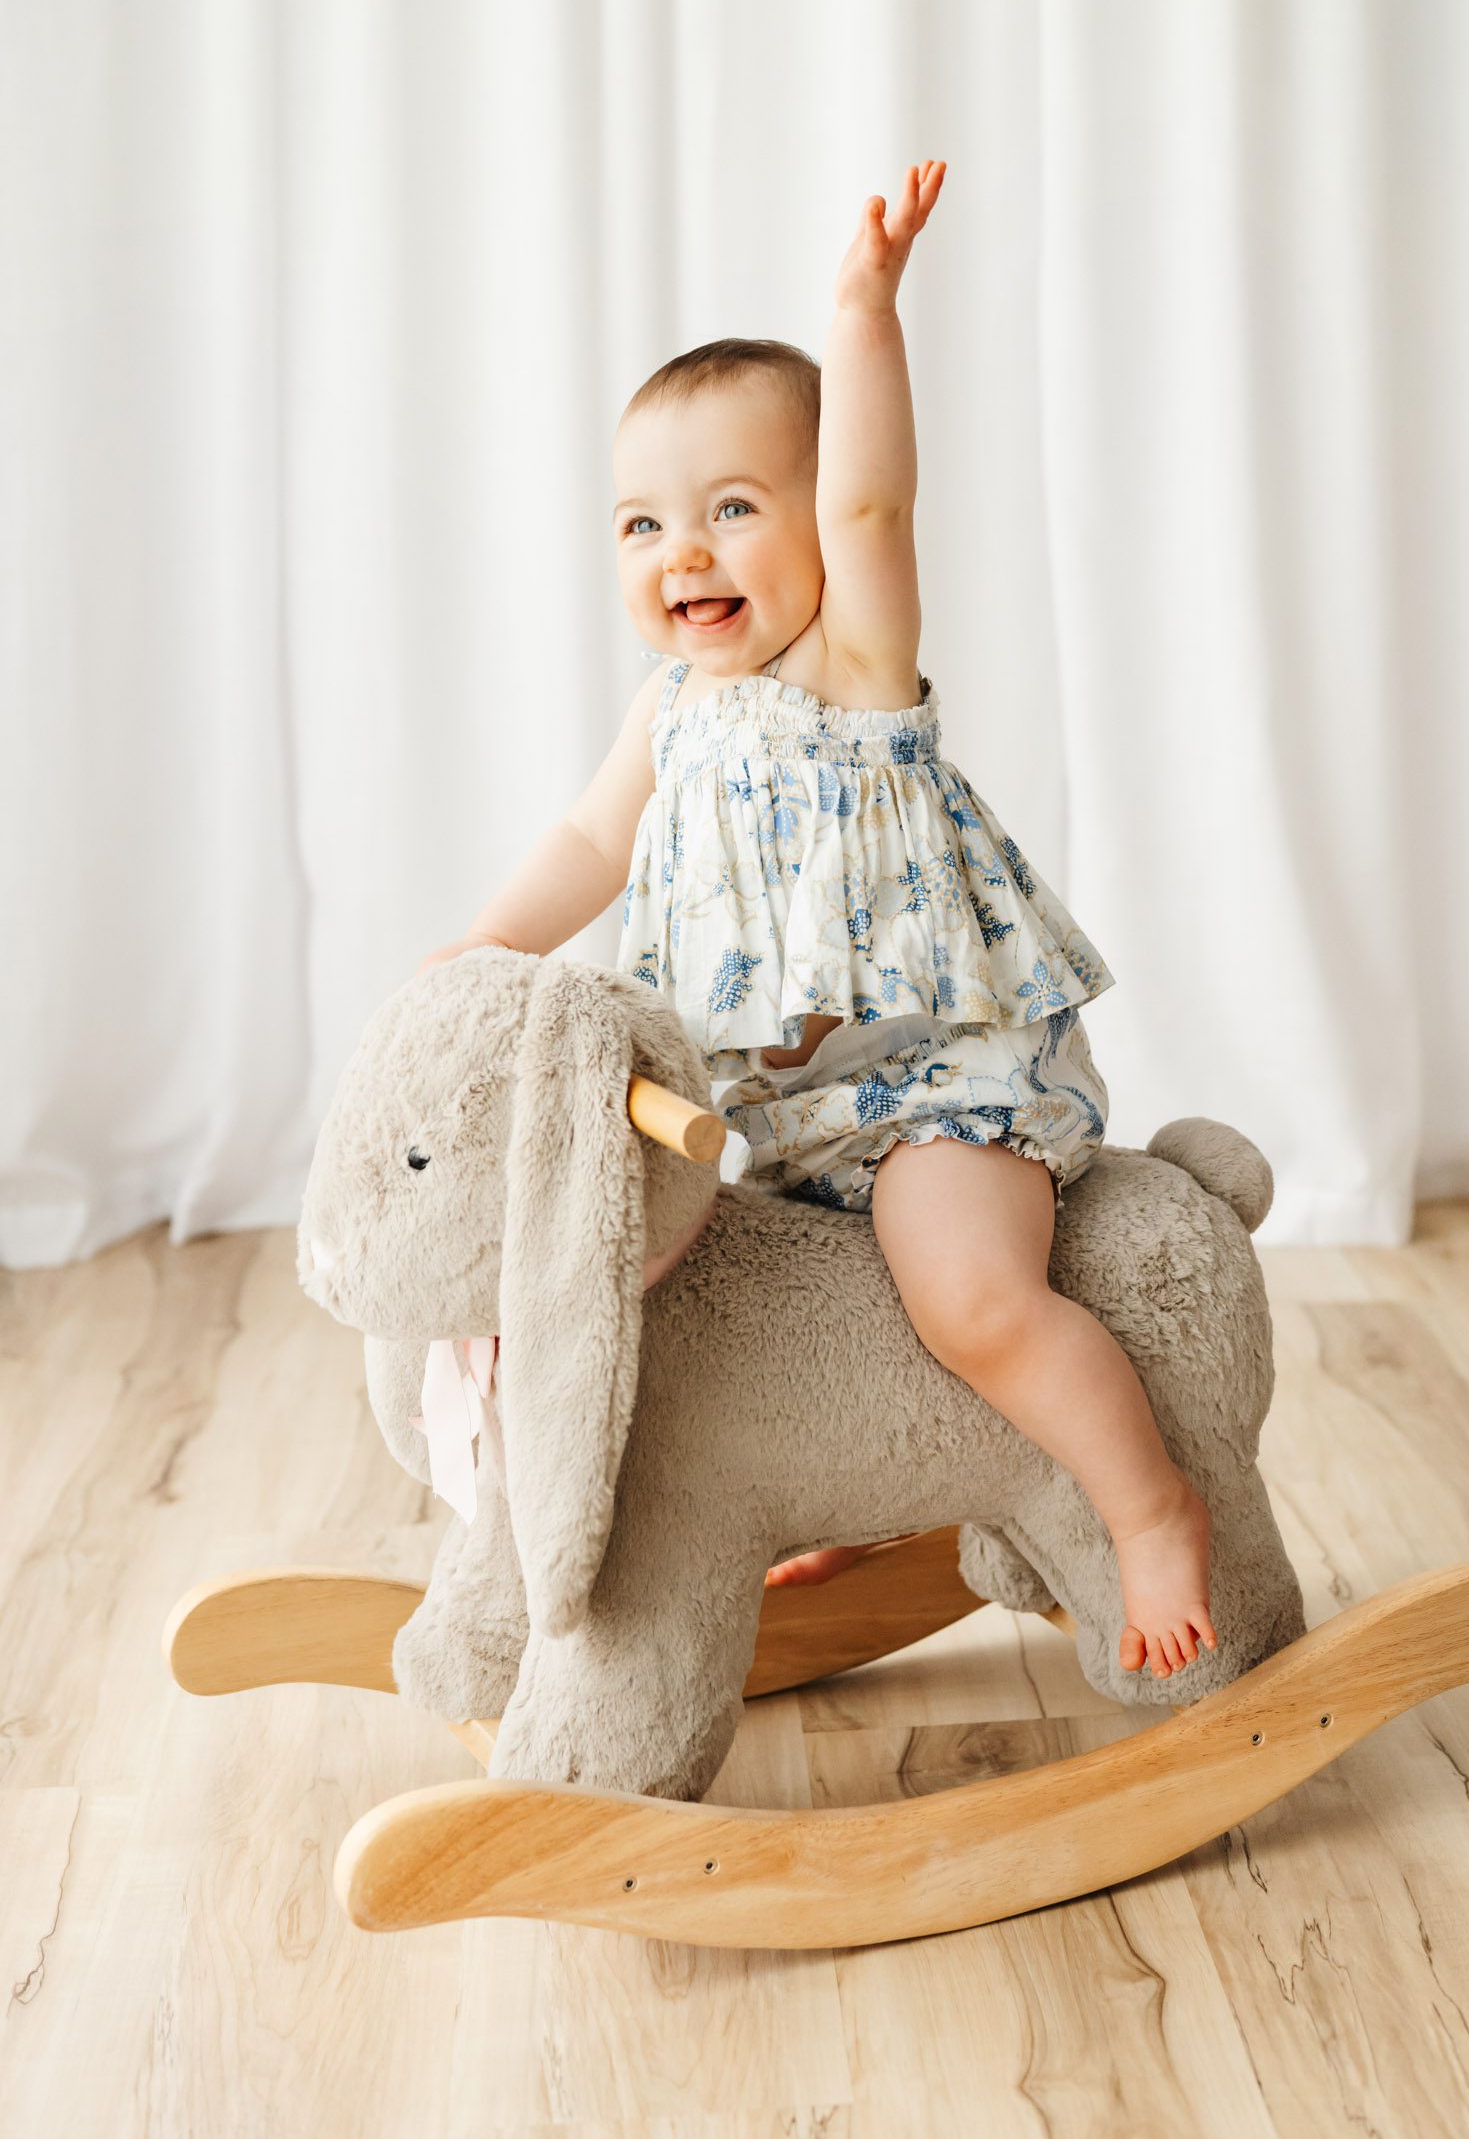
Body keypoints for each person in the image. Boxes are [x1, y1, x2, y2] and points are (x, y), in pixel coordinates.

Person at [421, 163, 1215, 1680]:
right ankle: (800, 1503)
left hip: (932, 1088)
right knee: (727, 1319)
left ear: (814, 529)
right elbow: (591, 839)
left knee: (969, 1302)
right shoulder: (672, 709)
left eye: (732, 508)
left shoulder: (853, 661)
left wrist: (862, 310)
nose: (685, 554)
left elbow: (870, 493)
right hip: (757, 1105)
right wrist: (483, 949)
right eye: (644, 523)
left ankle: (1147, 1502)